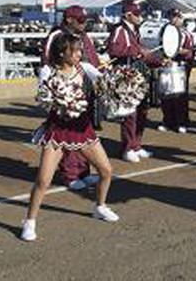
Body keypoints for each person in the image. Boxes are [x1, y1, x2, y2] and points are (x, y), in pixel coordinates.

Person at [21, 34, 118, 241]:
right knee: (43, 180)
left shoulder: (84, 68)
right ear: (62, 52)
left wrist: (115, 79)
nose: (79, 54)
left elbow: (105, 81)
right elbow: (42, 97)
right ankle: (30, 221)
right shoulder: (49, 71)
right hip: (57, 130)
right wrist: (59, 100)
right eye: (74, 51)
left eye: (80, 50)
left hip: (82, 128)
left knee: (106, 171)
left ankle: (100, 206)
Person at [39, 5, 100, 191]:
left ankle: (83, 171)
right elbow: (47, 63)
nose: (84, 23)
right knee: (67, 131)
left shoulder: (82, 35)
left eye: (85, 20)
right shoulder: (56, 35)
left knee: (82, 129)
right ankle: (70, 174)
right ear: (69, 20)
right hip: (65, 90)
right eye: (80, 20)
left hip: (83, 84)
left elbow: (90, 58)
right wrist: (56, 89)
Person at [106, 2, 159, 163]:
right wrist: (138, 51)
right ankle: (127, 148)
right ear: (128, 15)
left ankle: (136, 144)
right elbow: (113, 50)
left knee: (142, 111)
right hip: (126, 77)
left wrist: (157, 60)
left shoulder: (134, 30)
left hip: (138, 75)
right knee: (130, 113)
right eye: (137, 14)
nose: (139, 16)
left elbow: (139, 53)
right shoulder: (120, 29)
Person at [158, 9, 196, 133]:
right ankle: (168, 121)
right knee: (166, 95)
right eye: (172, 17)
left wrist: (176, 51)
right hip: (167, 66)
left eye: (177, 17)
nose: (174, 19)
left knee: (180, 96)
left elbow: (190, 52)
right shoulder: (164, 33)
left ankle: (182, 122)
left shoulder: (186, 34)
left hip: (180, 66)